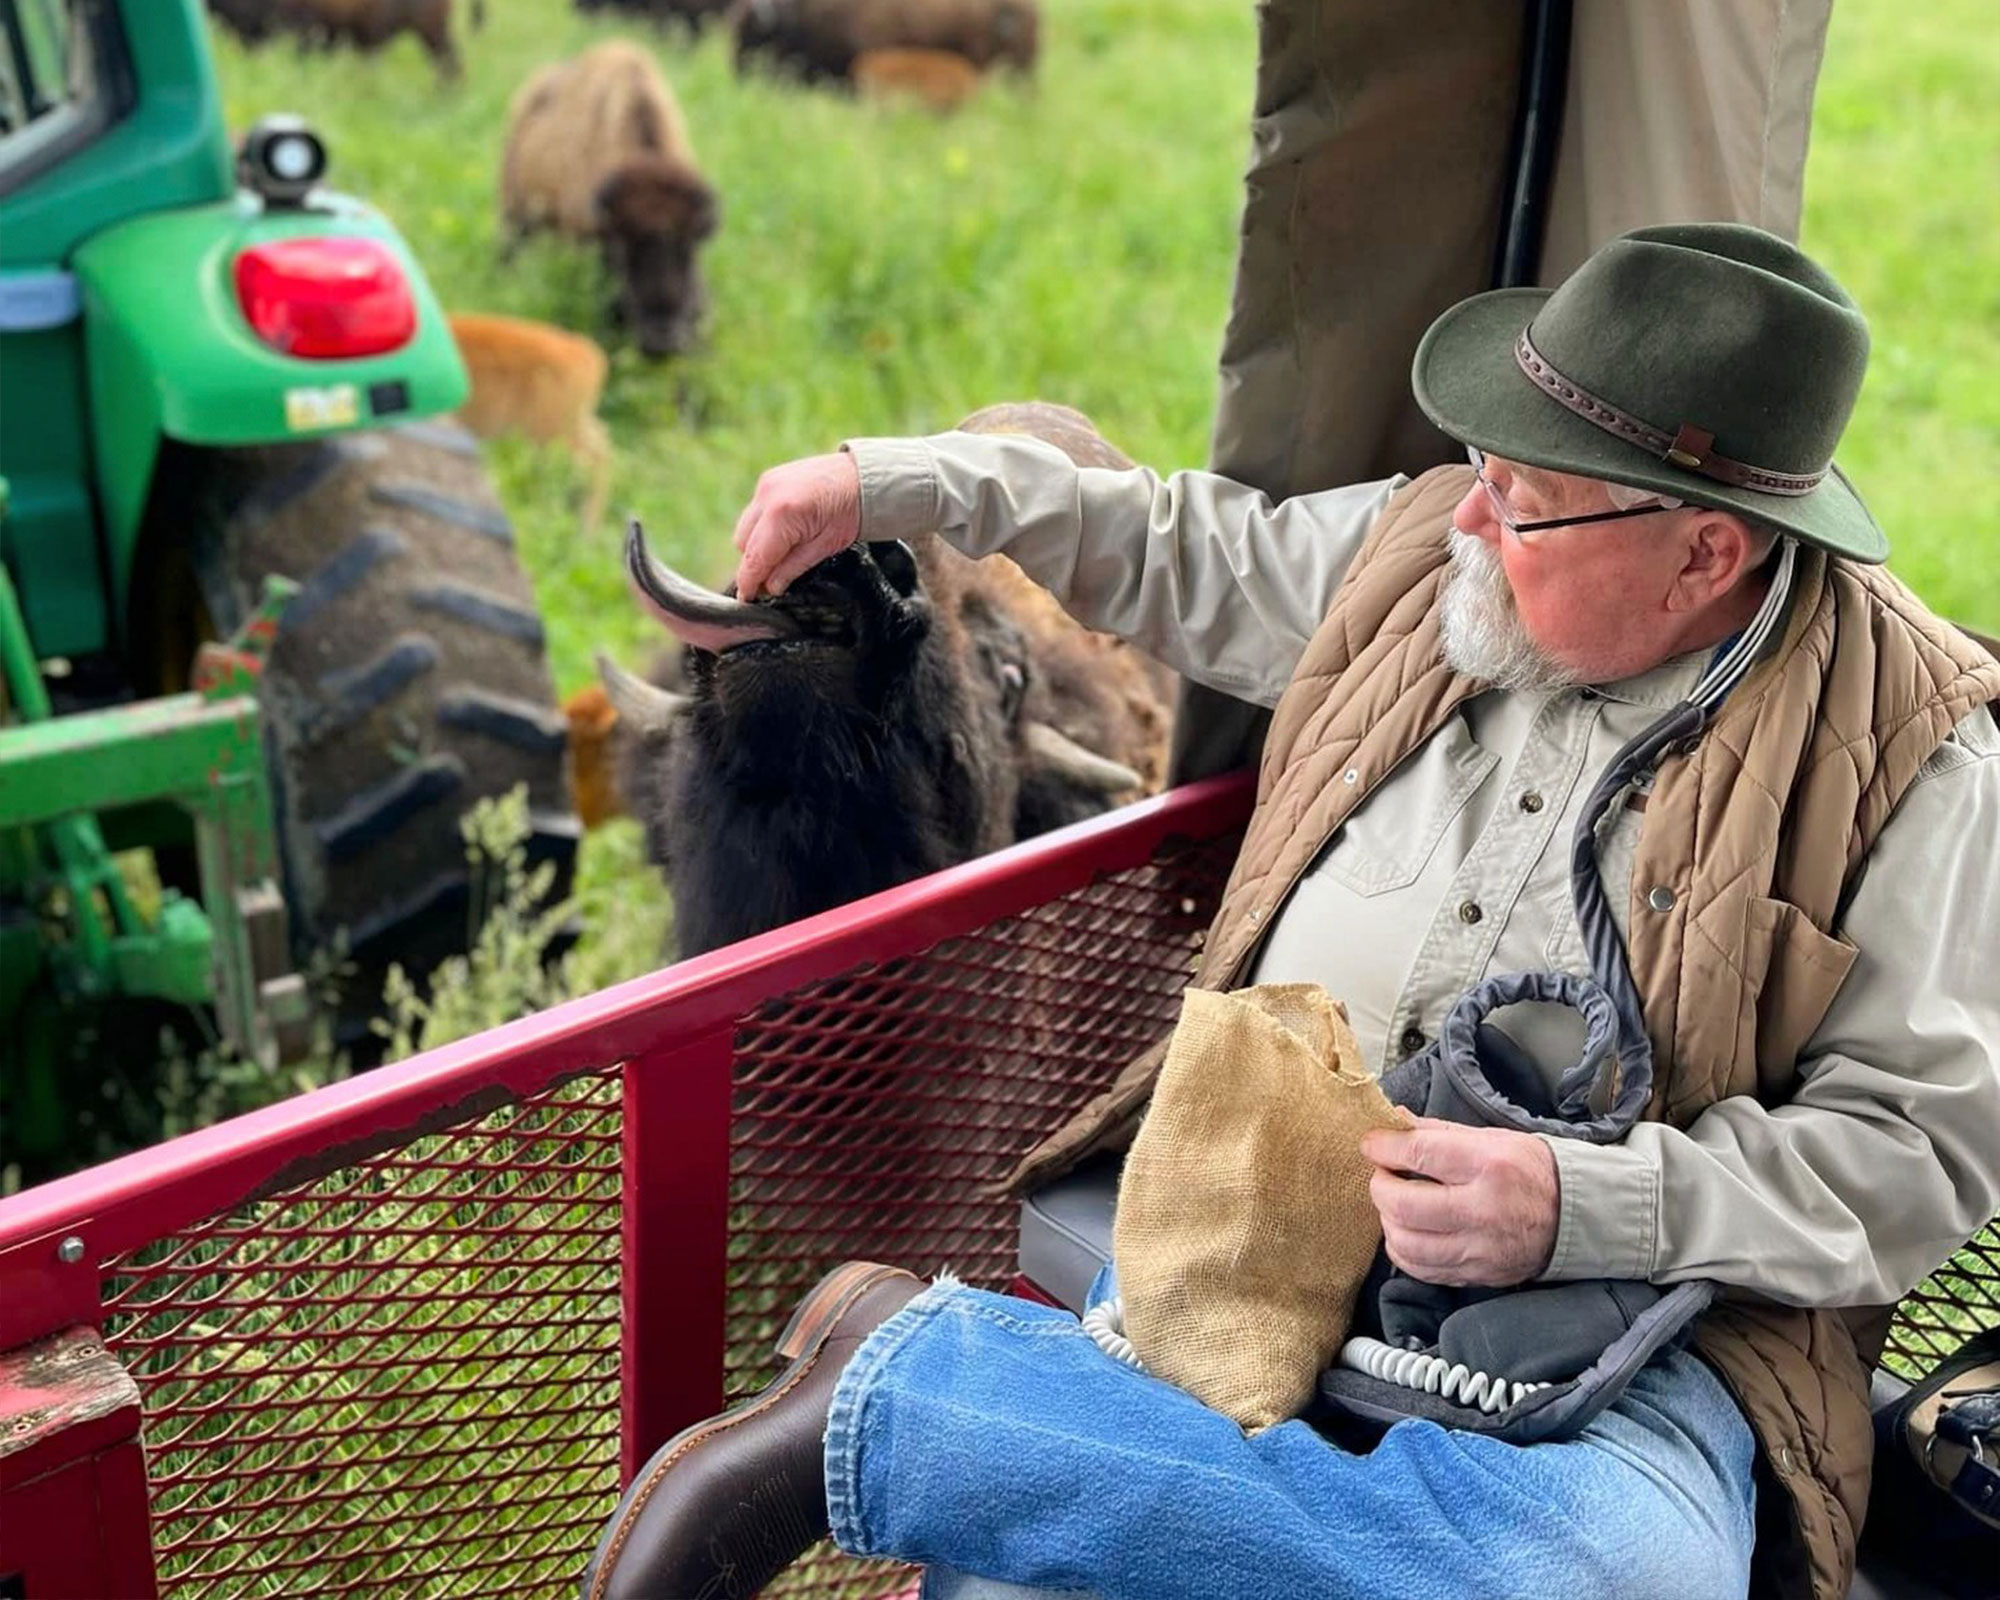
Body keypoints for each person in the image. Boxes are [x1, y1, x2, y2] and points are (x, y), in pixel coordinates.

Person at [581, 224, 2000, 1600]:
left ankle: (906, 1396)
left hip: (1624, 1347)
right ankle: (986, 1431)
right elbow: (1170, 543)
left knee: (1615, 1576)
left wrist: (1587, 1206)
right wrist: (892, 484)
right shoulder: (1423, 563)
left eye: (1524, 498)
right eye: (1481, 464)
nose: (1464, 515)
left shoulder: (1918, 762)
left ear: (1705, 554)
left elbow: (1916, 1153)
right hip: (1242, 1234)